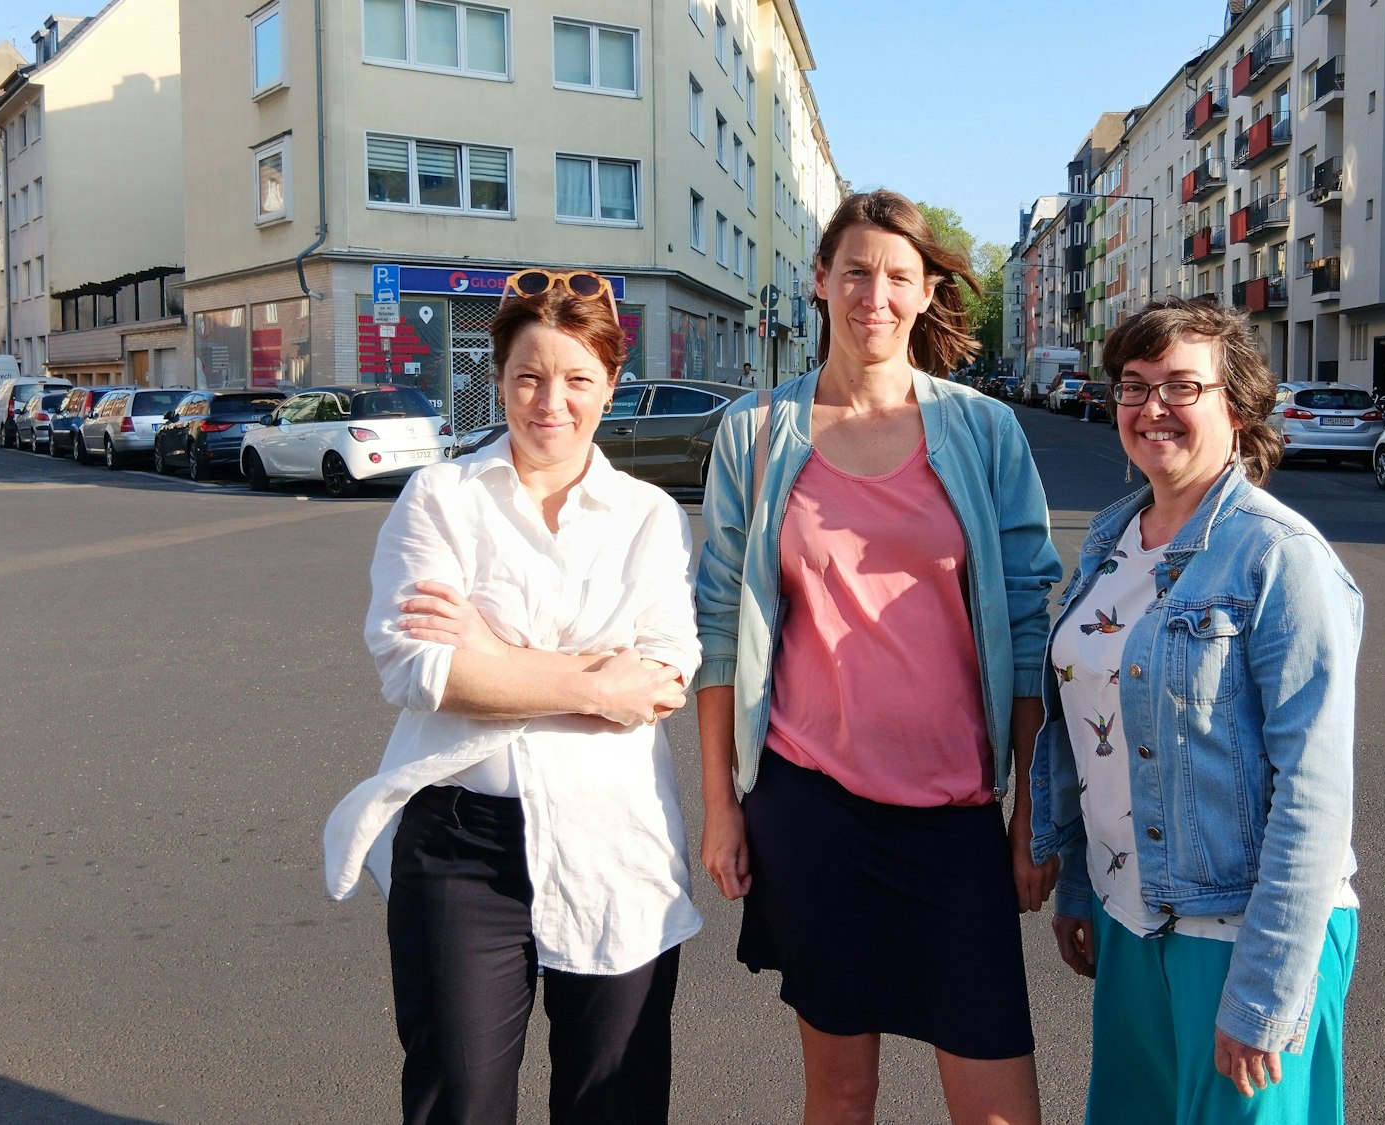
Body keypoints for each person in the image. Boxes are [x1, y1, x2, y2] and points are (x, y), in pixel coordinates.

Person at [694, 189, 1064, 1124]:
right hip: (812, 808)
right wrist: (721, 807)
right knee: (841, 1092)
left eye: (900, 275)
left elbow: (1027, 624)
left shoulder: (983, 431)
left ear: (928, 290)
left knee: (997, 1107)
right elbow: (715, 631)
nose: (875, 294)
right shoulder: (756, 431)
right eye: (855, 271)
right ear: (819, 282)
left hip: (955, 813)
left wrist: (1031, 813)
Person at [323, 269, 702, 1125]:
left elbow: (662, 679)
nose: (550, 402)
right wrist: (589, 681)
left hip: (616, 842)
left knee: (615, 1105)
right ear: (499, 380)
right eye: (529, 376)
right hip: (461, 844)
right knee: (457, 1102)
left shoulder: (647, 515)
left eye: (577, 378)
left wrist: (495, 652)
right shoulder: (443, 496)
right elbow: (419, 668)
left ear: (611, 383)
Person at [1029, 297, 1363, 1124]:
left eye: (1181, 385)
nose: (1151, 409)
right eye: (1132, 387)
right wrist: (1078, 881)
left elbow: (1314, 796)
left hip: (1242, 936)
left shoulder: (1280, 558)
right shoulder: (1112, 540)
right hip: (1132, 917)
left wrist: (1265, 991)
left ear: (1238, 407)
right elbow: (1092, 740)